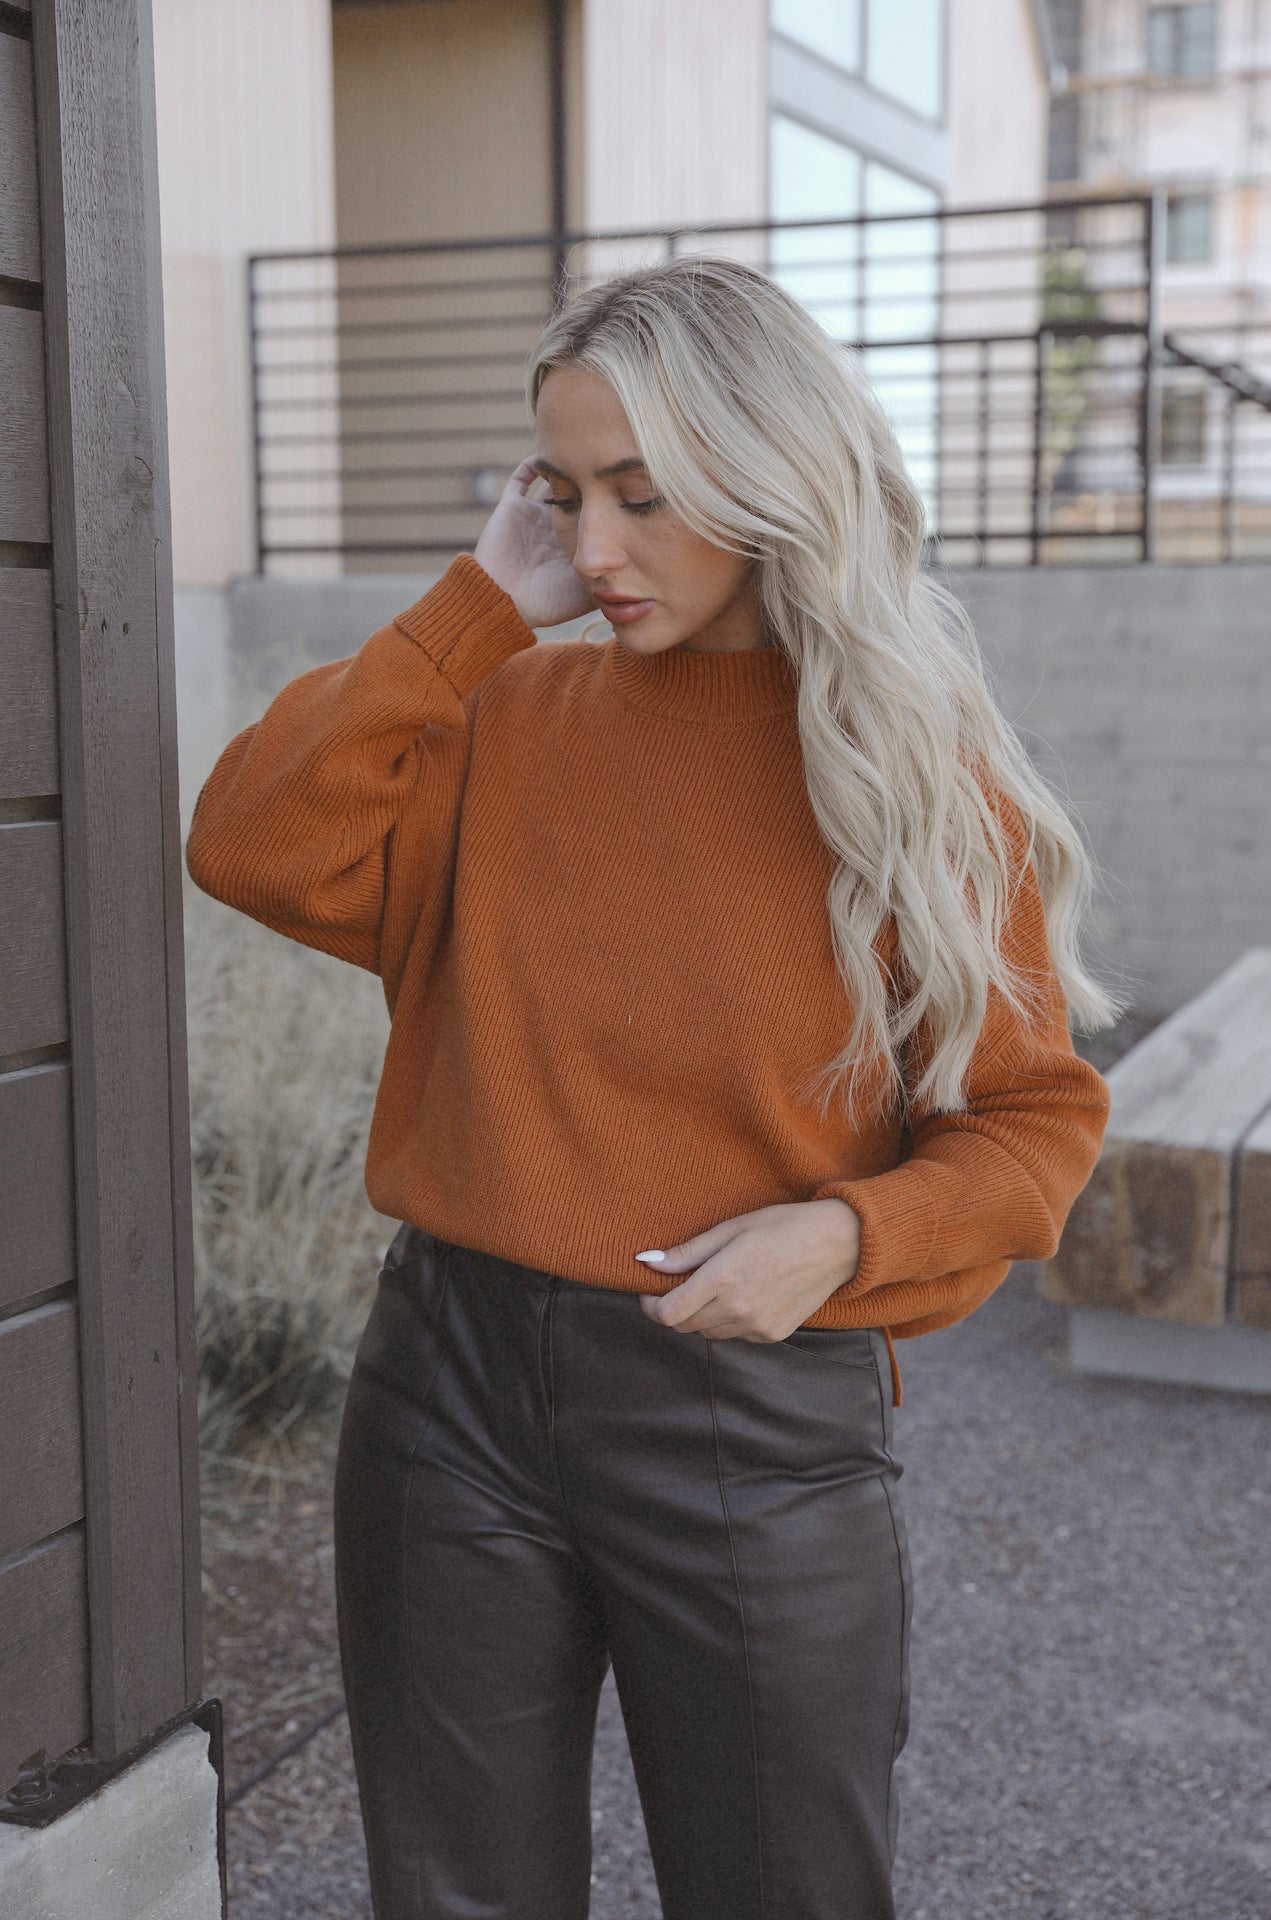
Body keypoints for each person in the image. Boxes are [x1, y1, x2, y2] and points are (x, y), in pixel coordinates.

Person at [185, 255, 1113, 1920]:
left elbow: (1034, 1123)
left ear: (768, 480)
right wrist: (474, 606)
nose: (592, 550)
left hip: (753, 1416)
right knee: (456, 1895)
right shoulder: (501, 713)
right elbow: (248, 841)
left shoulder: (909, 781)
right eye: (559, 493)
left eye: (644, 495)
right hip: (446, 1390)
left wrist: (841, 1238)